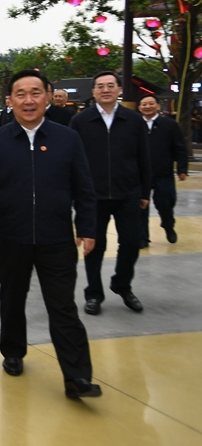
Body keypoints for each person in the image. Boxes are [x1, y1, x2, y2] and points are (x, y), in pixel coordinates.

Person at [0, 70, 101, 400]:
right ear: (10, 100)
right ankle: (13, 351)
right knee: (12, 298)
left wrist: (87, 228)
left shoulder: (67, 138)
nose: (28, 100)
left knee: (63, 306)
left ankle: (77, 376)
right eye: (21, 94)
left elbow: (84, 188)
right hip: (12, 236)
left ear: (47, 97)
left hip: (57, 238)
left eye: (35, 93)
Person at [69, 72, 151, 315]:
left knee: (132, 243)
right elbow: (71, 161)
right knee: (94, 246)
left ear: (119, 89)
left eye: (110, 85)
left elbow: (143, 157)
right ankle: (94, 294)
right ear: (93, 91)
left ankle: (122, 285)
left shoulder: (133, 120)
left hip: (128, 193)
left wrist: (144, 192)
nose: (106, 89)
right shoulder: (80, 121)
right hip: (92, 196)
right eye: (100, 86)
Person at [138, 94, 188, 245]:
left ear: (158, 106)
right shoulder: (135, 124)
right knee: (140, 206)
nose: (147, 106)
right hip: (140, 174)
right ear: (139, 107)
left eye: (151, 103)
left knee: (165, 204)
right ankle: (142, 237)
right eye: (144, 104)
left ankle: (168, 225)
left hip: (163, 172)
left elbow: (180, 148)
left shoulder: (169, 125)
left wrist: (182, 169)